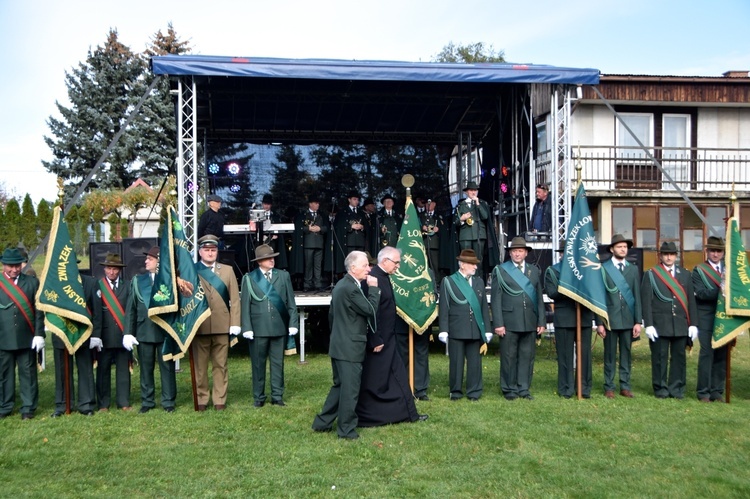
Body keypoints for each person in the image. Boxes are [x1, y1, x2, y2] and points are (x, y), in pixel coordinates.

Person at [312, 251, 380, 440]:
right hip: (350, 347)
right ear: (353, 268)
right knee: (349, 390)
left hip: (340, 344)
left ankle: (322, 423)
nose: (369, 269)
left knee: (340, 387)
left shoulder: (342, 285)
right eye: (365, 265)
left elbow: (332, 316)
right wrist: (374, 289)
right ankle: (346, 429)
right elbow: (370, 310)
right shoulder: (351, 288)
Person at [356, 247, 426, 426]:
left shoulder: (384, 277)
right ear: (385, 261)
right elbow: (371, 312)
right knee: (375, 380)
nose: (399, 266)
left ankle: (409, 414)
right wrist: (375, 339)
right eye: (396, 262)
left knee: (399, 376)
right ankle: (371, 416)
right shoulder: (372, 280)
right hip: (379, 341)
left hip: (389, 338)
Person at [241, 244, 299, 407]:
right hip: (258, 328)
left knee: (277, 363)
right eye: (267, 258)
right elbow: (245, 304)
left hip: (279, 326)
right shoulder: (250, 278)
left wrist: (293, 323)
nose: (272, 260)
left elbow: (291, 302)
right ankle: (258, 397)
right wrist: (247, 327)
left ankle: (277, 395)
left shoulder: (283, 276)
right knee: (258, 364)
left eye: (272, 257)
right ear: (260, 261)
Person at [490, 237, 546, 400]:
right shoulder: (500, 270)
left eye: (520, 251)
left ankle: (524, 388)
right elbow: (496, 299)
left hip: (529, 320)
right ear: (510, 253)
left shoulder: (533, 271)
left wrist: (541, 321)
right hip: (509, 321)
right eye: (514, 251)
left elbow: (539, 298)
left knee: (527, 356)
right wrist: (498, 323)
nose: (517, 254)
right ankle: (509, 389)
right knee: (508, 356)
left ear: (526, 253)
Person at [641, 241, 698, 399]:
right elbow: (646, 301)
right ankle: (660, 388)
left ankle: (677, 388)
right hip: (660, 323)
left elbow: (691, 302)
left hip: (680, 323)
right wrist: (649, 324)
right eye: (665, 254)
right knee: (660, 357)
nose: (669, 257)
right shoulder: (651, 274)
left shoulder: (685, 274)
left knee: (679, 357)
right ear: (660, 255)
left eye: (671, 254)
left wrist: (693, 323)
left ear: (676, 256)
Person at [123, 246, 177, 413]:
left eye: (150, 259)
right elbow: (131, 308)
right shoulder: (138, 281)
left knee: (167, 368)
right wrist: (128, 333)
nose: (146, 261)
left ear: (159, 262)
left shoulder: (170, 280)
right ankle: (147, 401)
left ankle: (168, 401)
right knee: (146, 369)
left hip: (165, 331)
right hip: (143, 331)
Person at [194, 235, 241, 411]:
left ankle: (219, 399)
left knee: (220, 365)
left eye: (213, 250)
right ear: (200, 252)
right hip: (200, 325)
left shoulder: (227, 270)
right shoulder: (192, 270)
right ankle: (201, 399)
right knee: (200, 367)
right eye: (206, 250)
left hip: (222, 324)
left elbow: (235, 299)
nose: (210, 253)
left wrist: (235, 323)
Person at [438, 249, 492, 401]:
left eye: (475, 264)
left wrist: (487, 329)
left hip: (474, 328)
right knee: (456, 362)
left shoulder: (479, 282)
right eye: (472, 264)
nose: (475, 267)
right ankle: (455, 391)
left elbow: (483, 308)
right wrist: (443, 330)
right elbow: (444, 307)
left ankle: (474, 391)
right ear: (462, 265)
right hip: (456, 328)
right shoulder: (449, 281)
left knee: (475, 362)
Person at [596, 234, 643, 399]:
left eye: (625, 247)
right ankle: (609, 386)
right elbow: (599, 297)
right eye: (619, 247)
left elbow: (637, 295)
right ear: (612, 249)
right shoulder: (603, 268)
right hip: (609, 319)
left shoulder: (633, 268)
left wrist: (638, 321)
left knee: (626, 354)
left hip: (628, 319)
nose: (623, 249)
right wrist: (599, 322)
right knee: (609, 355)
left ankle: (625, 386)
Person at [545, 243, 594, 398]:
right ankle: (566, 388)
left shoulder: (586, 272)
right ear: (562, 255)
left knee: (584, 355)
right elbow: (551, 292)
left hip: (583, 318)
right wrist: (570, 288)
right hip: (564, 318)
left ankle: (584, 388)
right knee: (565, 356)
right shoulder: (552, 271)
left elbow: (594, 292)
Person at [0, 247, 45, 420]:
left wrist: (40, 334)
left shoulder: (32, 282)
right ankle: (5, 405)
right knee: (4, 374)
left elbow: (39, 311)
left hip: (27, 336)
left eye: (17, 265)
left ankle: (28, 407)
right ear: (4, 265)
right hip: (3, 337)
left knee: (28, 374)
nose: (14, 269)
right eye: (10, 266)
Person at [51, 268, 102, 417]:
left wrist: (96, 335)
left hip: (83, 333)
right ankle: (62, 405)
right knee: (62, 371)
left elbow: (97, 312)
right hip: (61, 332)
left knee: (85, 369)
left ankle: (86, 404)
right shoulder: (54, 283)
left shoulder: (90, 283)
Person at [95, 253, 132, 411]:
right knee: (103, 371)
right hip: (104, 336)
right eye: (109, 268)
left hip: (122, 335)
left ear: (119, 270)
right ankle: (103, 403)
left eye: (115, 269)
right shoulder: (97, 286)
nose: (111, 272)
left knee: (123, 370)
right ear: (104, 269)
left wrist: (129, 333)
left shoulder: (128, 285)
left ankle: (123, 402)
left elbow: (130, 311)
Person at [693, 236, 727, 402]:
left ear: (723, 253)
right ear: (707, 251)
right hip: (706, 316)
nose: (715, 254)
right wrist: (721, 290)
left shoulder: (729, 270)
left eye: (718, 251)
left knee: (722, 353)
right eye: (712, 250)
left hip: (724, 318)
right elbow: (700, 293)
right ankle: (703, 392)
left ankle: (717, 391)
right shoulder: (699, 270)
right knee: (707, 353)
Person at [454, 181, 490, 274]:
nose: (473, 192)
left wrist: (477, 203)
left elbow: (485, 216)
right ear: (466, 192)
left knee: (478, 259)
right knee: (465, 258)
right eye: (471, 190)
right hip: (465, 235)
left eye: (475, 190)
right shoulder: (460, 205)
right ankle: (466, 279)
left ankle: (478, 281)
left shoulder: (481, 203)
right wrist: (462, 219)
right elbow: (455, 222)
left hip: (479, 234)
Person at [297, 196, 329, 292]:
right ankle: (307, 284)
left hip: (319, 243)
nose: (317, 205)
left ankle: (318, 284)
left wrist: (320, 229)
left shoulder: (322, 215)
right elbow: (299, 228)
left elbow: (326, 227)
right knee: (308, 264)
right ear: (310, 204)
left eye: (318, 203)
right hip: (308, 243)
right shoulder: (304, 214)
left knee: (318, 265)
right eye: (315, 203)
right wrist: (308, 229)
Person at [420, 198, 444, 285]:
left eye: (430, 203)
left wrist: (438, 229)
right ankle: (425, 282)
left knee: (435, 264)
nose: (428, 205)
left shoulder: (439, 216)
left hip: (434, 243)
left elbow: (445, 230)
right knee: (425, 264)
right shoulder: (421, 216)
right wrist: (422, 228)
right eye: (426, 204)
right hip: (424, 243)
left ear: (434, 204)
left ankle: (436, 282)